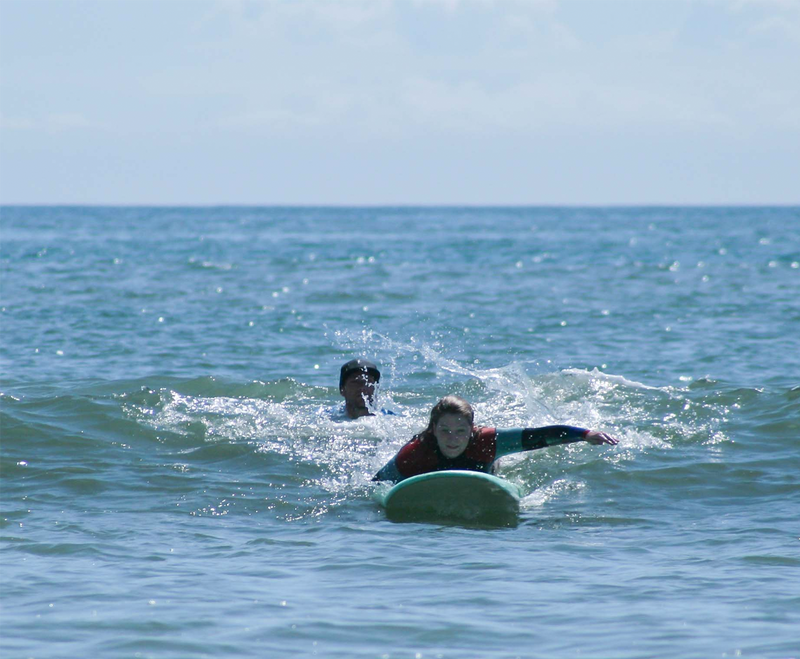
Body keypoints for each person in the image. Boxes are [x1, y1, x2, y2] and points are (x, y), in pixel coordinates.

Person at [373, 395, 617, 482]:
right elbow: (379, 483)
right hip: (428, 472)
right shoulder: (415, 453)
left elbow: (540, 436)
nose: (452, 438)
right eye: (445, 430)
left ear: (472, 429)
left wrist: (585, 434)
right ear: (433, 429)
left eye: (460, 431)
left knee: (491, 462)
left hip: (481, 467)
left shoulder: (487, 440)